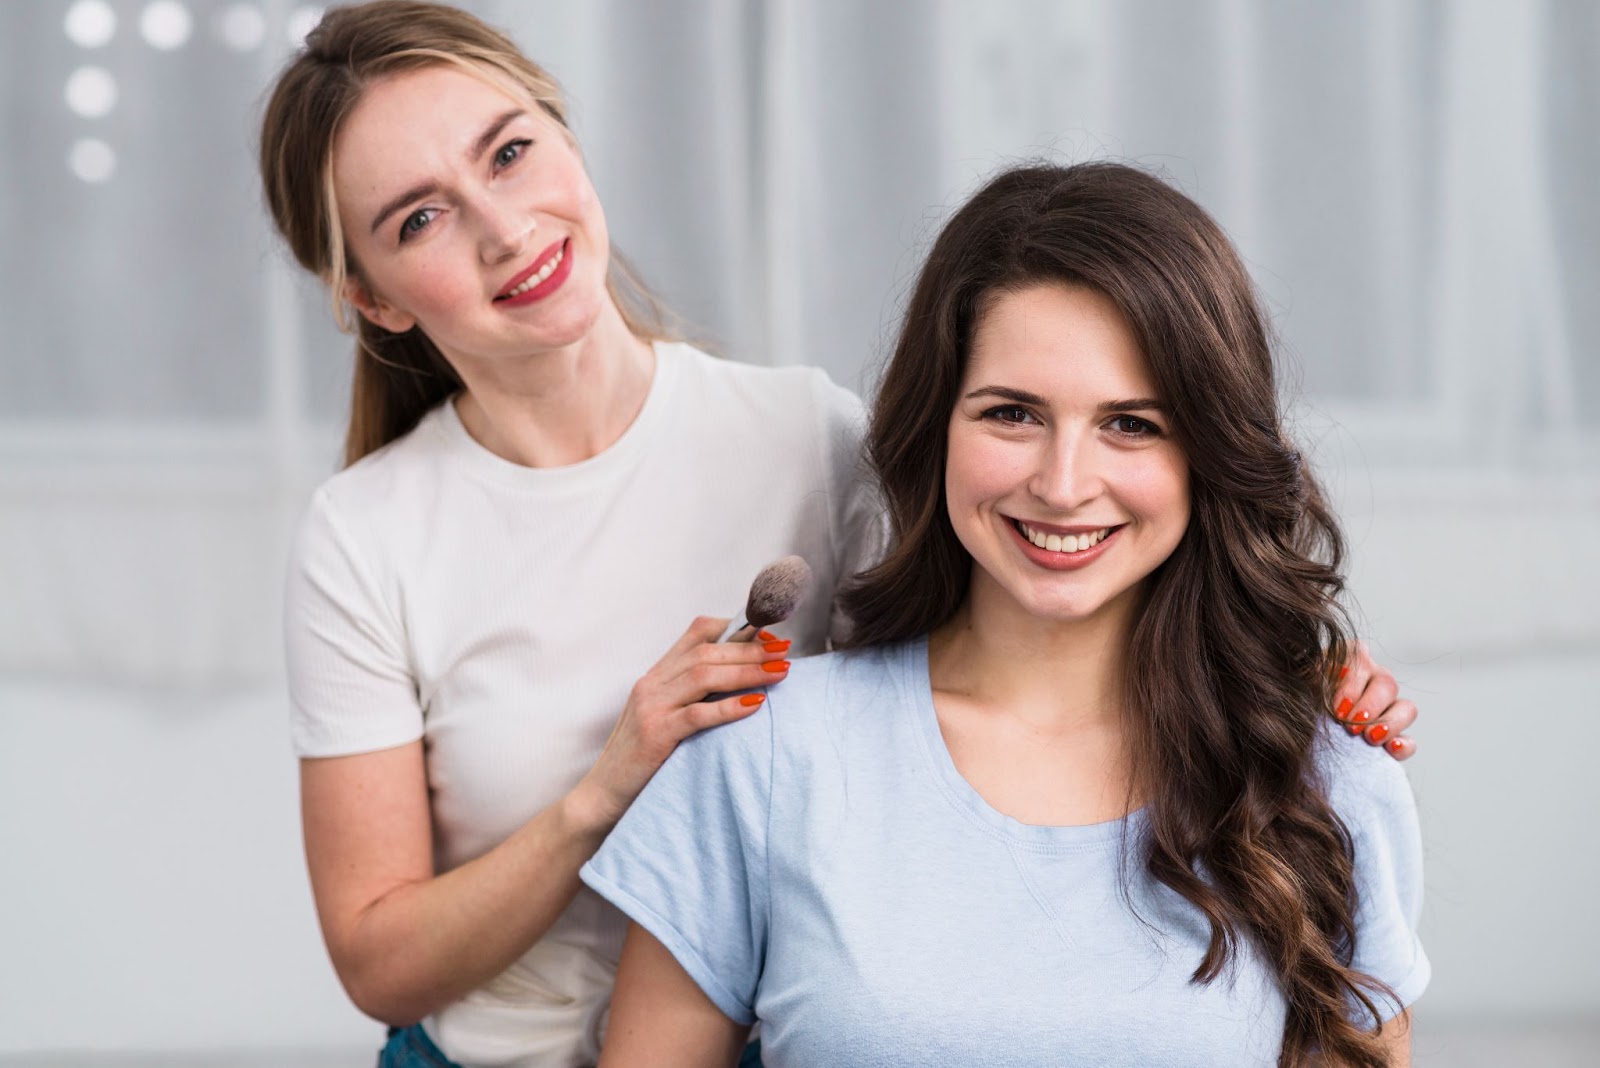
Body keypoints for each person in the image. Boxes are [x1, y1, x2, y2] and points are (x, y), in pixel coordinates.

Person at [259, 4, 1419, 1066]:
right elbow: (377, 961)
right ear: (373, 297)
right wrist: (609, 784)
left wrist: (1288, 683)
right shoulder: (366, 536)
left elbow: (1032, 589)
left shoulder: (805, 436)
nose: (505, 230)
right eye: (420, 218)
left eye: (508, 152)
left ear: (566, 136)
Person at [582, 162, 1429, 1067]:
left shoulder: (1323, 775)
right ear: (935, 424)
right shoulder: (760, 757)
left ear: (1210, 454)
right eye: (1013, 413)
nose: (1063, 486)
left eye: (1131, 424)